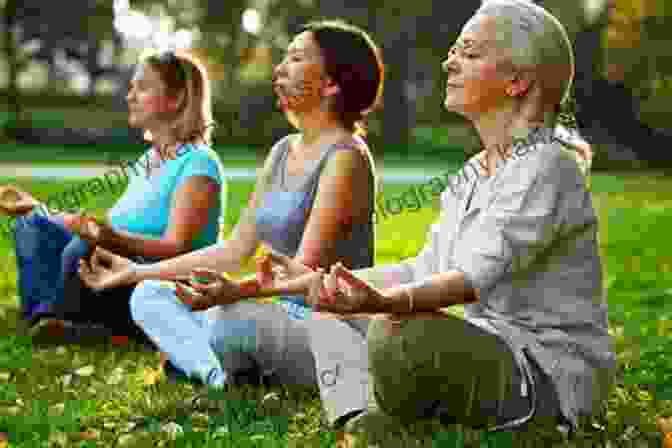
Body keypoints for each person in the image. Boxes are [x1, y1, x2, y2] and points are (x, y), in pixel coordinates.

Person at [252, 0, 614, 443]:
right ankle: (360, 416)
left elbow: (468, 281)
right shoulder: (472, 172)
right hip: (485, 343)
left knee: (396, 332)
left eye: (469, 52)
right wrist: (324, 284)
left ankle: (397, 408)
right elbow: (421, 270)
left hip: (542, 374)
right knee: (332, 311)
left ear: (517, 80)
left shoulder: (546, 166)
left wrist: (385, 303)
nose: (449, 61)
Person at [79, 19, 382, 393]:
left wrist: (232, 293)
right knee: (152, 294)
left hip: (320, 327)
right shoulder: (283, 151)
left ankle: (213, 368)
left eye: (297, 58)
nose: (280, 68)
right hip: (266, 309)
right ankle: (221, 375)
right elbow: (234, 249)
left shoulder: (345, 158)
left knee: (233, 314)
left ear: (331, 84)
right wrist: (135, 274)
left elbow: (302, 275)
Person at [0, 50, 226, 342]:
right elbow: (104, 229)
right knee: (32, 224)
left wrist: (108, 239)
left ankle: (84, 325)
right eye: (131, 87)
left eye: (142, 88)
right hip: (116, 262)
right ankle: (48, 318)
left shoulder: (198, 161)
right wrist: (36, 207)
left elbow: (178, 247)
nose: (130, 96)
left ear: (177, 99)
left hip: (159, 280)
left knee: (84, 248)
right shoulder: (147, 161)